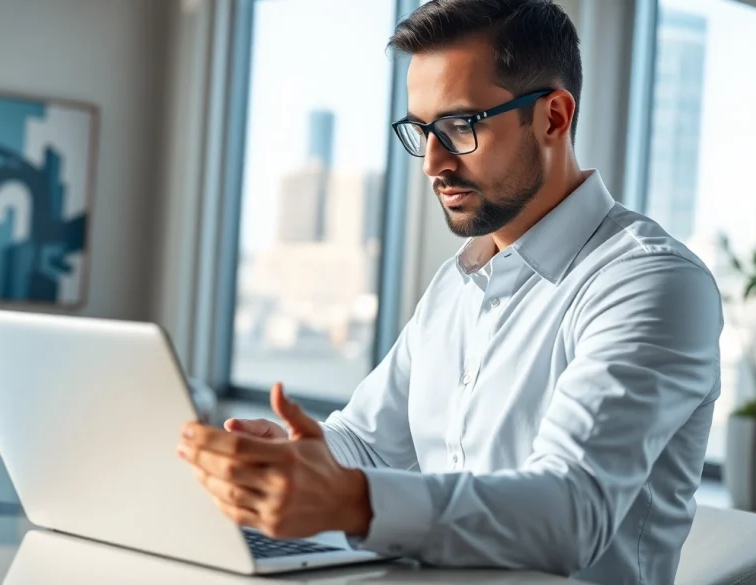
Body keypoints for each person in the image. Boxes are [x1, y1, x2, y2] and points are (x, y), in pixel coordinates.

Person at [176, 1, 723, 583]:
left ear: (554, 118)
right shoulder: (457, 284)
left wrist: (352, 500)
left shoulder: (651, 283)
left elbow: (573, 514)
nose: (432, 163)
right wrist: (294, 458)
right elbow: (367, 443)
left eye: (461, 127)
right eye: (422, 130)